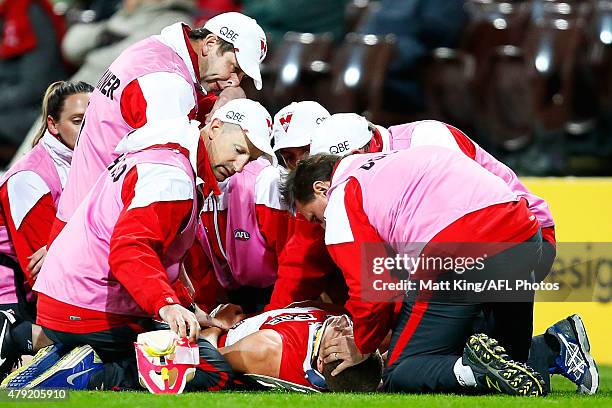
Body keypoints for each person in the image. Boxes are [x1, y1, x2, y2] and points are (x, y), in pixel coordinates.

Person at [3, 99, 274, 391]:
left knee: (188, 346)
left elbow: (155, 254)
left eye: (250, 158)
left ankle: (49, 349)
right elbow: (130, 249)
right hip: (93, 307)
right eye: (239, 150)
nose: (240, 166)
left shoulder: (161, 153)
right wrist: (167, 305)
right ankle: (88, 376)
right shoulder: (171, 176)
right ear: (215, 128)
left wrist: (190, 308)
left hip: (67, 300)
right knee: (212, 371)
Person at [281, 150, 548, 395]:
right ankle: (556, 345)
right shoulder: (389, 161)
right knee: (512, 360)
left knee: (403, 370)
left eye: (316, 218)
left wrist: (361, 346)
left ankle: (476, 373)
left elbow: (372, 292)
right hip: (524, 234)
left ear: (322, 188)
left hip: (459, 247)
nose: (322, 227)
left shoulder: (342, 195)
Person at [50, 11, 268, 241]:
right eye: (234, 67)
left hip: (79, 213)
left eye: (242, 75)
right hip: (98, 232)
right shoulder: (166, 82)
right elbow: (164, 180)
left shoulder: (157, 50)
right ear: (210, 44)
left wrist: (231, 96)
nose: (234, 80)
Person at [0, 81, 93, 380]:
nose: (89, 129)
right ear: (53, 125)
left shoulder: (96, 163)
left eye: (95, 119)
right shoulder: (29, 177)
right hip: (15, 294)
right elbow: (43, 273)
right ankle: (12, 339)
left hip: (55, 287)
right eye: (78, 121)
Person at [200, 303, 383, 392]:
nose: (346, 322)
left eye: (342, 336)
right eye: (353, 333)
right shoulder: (363, 355)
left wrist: (217, 324)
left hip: (217, 327)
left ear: (320, 362)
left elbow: (202, 359)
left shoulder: (269, 350)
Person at [63, 0, 196, 86]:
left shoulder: (173, 21)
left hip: (105, 99)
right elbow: (71, 47)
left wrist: (92, 52)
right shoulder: (125, 13)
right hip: (78, 88)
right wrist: (100, 36)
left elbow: (125, 61)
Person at [0, 0, 67, 156]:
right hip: (11, 104)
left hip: (39, 109)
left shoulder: (30, 13)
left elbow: (35, 87)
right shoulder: (6, 14)